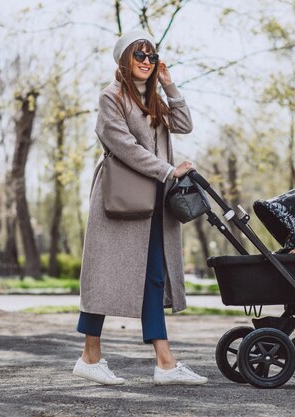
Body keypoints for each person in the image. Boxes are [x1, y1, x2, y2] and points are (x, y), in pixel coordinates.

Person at [72, 30, 207, 386]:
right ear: (125, 59)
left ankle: (165, 363)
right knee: (103, 276)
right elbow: (123, 145)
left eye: (151, 56)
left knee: (154, 276)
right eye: (139, 56)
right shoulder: (111, 97)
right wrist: (167, 170)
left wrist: (170, 85)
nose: (147, 62)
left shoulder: (156, 98)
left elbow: (184, 125)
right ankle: (90, 356)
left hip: (155, 199)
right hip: (120, 198)